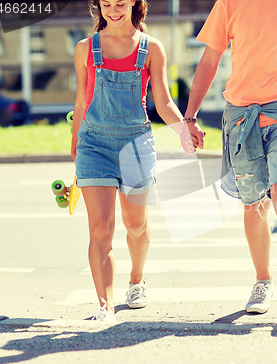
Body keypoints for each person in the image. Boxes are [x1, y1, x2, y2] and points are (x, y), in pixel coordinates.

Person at [184, 0, 277, 325]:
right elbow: (209, 60)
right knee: (255, 206)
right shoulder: (230, 3)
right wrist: (189, 117)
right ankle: (264, 281)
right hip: (241, 118)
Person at [71, 0, 204, 321]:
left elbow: (163, 100)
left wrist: (185, 127)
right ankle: (105, 308)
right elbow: (80, 99)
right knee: (101, 226)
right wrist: (75, 143)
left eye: (120, 3)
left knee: (136, 224)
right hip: (95, 145)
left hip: (135, 144)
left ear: (134, 4)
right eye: (106, 4)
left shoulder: (151, 48)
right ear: (98, 7)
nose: (114, 10)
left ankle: (136, 280)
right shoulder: (85, 48)